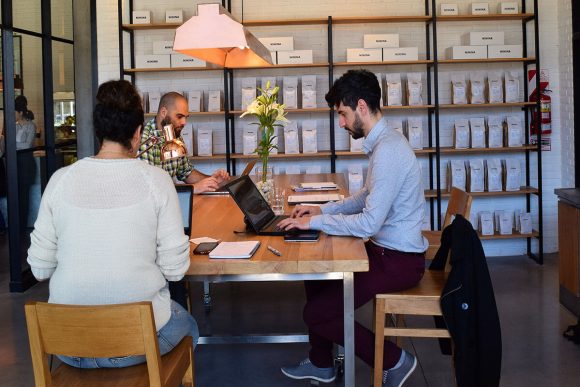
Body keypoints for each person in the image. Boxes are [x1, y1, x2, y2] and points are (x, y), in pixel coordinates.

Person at [27, 80, 198, 368]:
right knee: (189, 326)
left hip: (69, 345)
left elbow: (40, 269)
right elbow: (176, 270)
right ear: (137, 133)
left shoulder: (59, 180)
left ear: (98, 131)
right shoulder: (156, 181)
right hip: (137, 341)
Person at [277, 69, 428, 387]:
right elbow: (365, 197)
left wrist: (314, 222)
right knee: (316, 280)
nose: (342, 124)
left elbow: (370, 222)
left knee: (315, 313)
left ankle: (394, 361)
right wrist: (321, 210)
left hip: (398, 260)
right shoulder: (385, 143)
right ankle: (321, 363)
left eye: (342, 114)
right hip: (387, 251)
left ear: (361, 106)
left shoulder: (387, 151)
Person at [138, 92, 229, 193]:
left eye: (186, 117)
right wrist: (193, 188)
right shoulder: (145, 140)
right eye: (179, 116)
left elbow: (186, 172)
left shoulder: (174, 136)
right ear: (163, 113)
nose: (184, 122)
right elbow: (149, 188)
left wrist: (213, 180)